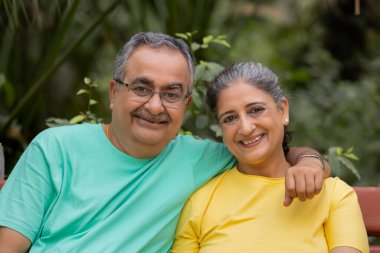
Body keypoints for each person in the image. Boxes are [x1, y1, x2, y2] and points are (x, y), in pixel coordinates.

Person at [0, 32, 329, 253]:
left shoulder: (203, 159)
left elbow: (273, 151)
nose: (155, 106)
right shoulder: (54, 149)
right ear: (115, 93)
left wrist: (310, 162)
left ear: (185, 106)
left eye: (171, 94)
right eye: (141, 88)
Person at [171, 62, 368, 253]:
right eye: (230, 118)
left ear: (282, 110)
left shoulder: (334, 196)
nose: (246, 128)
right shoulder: (200, 203)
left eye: (256, 110)